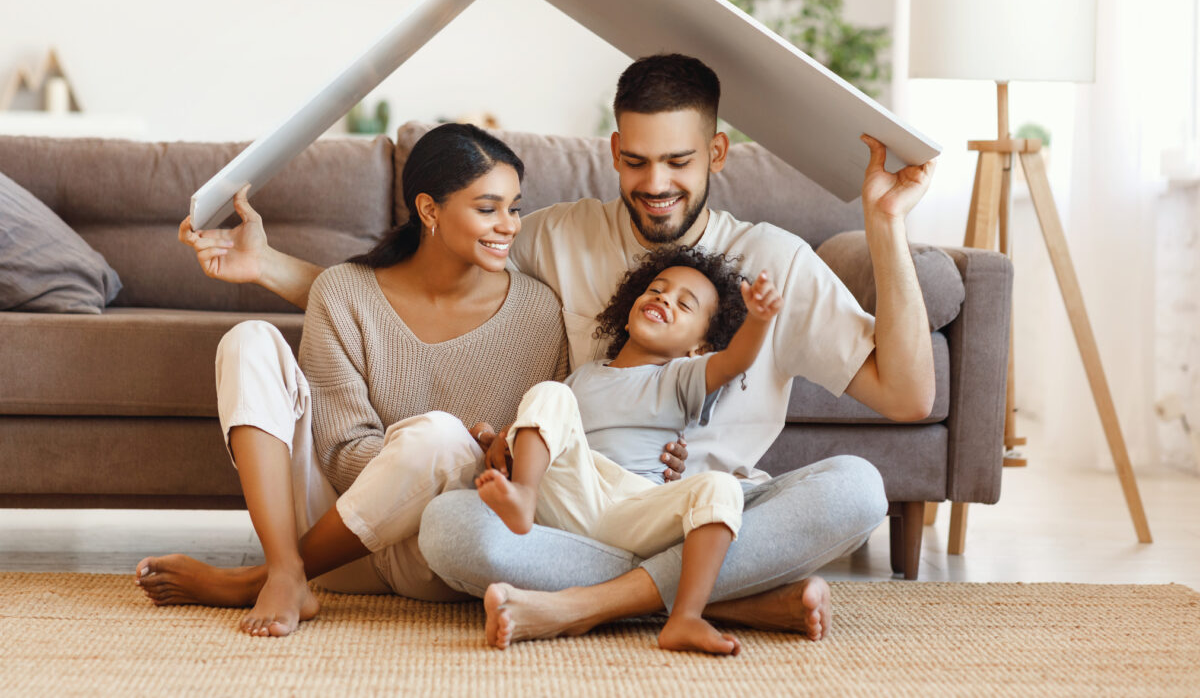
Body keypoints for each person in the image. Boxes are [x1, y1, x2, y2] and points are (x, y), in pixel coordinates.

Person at [172, 53, 936, 646]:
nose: (656, 183)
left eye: (678, 161)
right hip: (574, 516)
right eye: (636, 161)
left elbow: (906, 397)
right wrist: (268, 268)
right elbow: (415, 284)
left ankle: (589, 606)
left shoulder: (775, 261)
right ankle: (717, 598)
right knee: (451, 529)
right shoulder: (556, 235)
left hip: (711, 512)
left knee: (856, 490)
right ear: (613, 149)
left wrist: (885, 225)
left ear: (719, 153)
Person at [134, 123, 567, 637]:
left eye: (514, 207)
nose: (509, 226)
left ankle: (264, 578)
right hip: (339, 538)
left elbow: (538, 449)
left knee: (440, 438)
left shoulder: (538, 310)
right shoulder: (343, 291)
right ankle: (285, 566)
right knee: (248, 340)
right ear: (429, 210)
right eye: (487, 208)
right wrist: (410, 459)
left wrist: (480, 454)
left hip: (440, 547)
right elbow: (339, 452)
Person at [476, 247, 782, 654]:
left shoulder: (679, 378)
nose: (663, 299)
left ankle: (686, 617)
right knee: (549, 393)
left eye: (683, 304)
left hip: (633, 506)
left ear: (699, 347)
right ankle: (523, 497)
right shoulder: (582, 376)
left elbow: (734, 362)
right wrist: (494, 439)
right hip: (572, 496)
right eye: (656, 290)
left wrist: (759, 320)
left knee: (721, 488)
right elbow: (546, 428)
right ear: (629, 309)